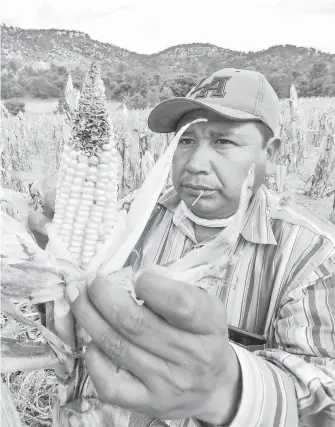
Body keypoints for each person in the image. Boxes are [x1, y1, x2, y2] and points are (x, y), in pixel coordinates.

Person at [29, 68, 335, 427]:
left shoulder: (314, 256)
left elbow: (324, 401)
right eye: (186, 140)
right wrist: (48, 270)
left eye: (223, 141)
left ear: (272, 153)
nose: (195, 164)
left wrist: (227, 390)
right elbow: (71, 326)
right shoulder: (132, 221)